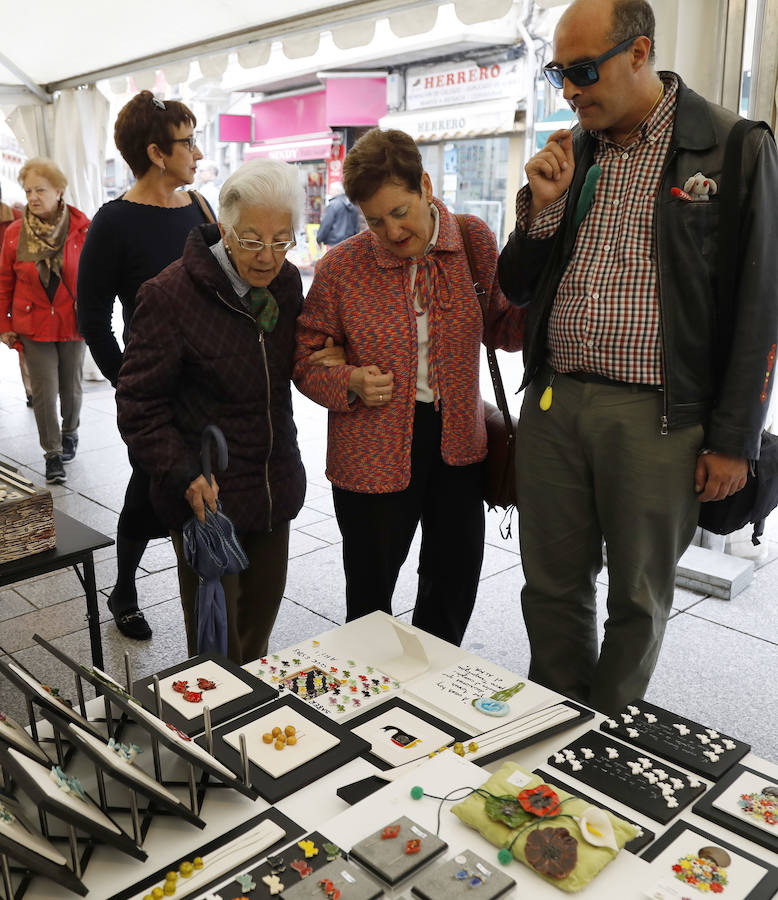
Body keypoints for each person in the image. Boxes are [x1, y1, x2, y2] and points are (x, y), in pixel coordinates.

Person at [498, 0, 778, 714]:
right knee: (551, 585)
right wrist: (543, 206)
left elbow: (759, 304)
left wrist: (733, 440)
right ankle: (553, 724)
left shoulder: (731, 147)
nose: (569, 89)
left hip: (659, 416)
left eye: (583, 71)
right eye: (560, 73)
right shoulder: (574, 149)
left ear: (638, 52)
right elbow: (516, 284)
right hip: (557, 401)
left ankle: (606, 733)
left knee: (638, 594)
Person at [294, 128, 526, 646]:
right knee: (371, 600)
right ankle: (371, 703)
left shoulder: (472, 240)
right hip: (370, 452)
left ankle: (432, 699)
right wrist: (348, 379)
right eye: (374, 220)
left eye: (400, 212)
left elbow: (505, 328)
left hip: (458, 445)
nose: (391, 231)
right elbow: (304, 360)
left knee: (452, 585)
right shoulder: (342, 268)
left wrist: (540, 273)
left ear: (424, 184)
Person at [116, 159, 343, 664]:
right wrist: (182, 475)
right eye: (251, 240)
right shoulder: (168, 296)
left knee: (258, 636)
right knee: (217, 646)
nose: (267, 257)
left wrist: (329, 356)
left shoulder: (285, 283)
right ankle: (213, 739)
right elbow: (137, 405)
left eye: (281, 240)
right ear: (223, 229)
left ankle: (253, 728)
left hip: (272, 486)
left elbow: (292, 362)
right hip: (207, 499)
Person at [77, 91, 211, 641]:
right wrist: (129, 383)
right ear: (157, 152)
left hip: (209, 385)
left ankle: (201, 587)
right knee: (150, 483)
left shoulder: (201, 208)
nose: (198, 153)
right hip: (155, 390)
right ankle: (126, 588)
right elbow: (92, 317)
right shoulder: (114, 222)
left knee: (200, 481)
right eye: (188, 142)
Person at [0, 159, 90, 484]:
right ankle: (52, 454)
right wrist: (4, 324)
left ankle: (70, 432)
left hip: (72, 321)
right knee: (43, 391)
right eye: (28, 190)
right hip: (32, 323)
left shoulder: (83, 227)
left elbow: (95, 279)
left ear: (58, 190)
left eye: (40, 190)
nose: (33, 197)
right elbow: (3, 282)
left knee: (72, 388)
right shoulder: (14, 233)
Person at [316, 181, 359, 247]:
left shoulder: (333, 204)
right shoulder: (352, 204)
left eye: (331, 190)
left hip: (335, 243)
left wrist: (319, 239)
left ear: (337, 190)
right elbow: (356, 225)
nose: (330, 192)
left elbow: (326, 224)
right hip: (350, 243)